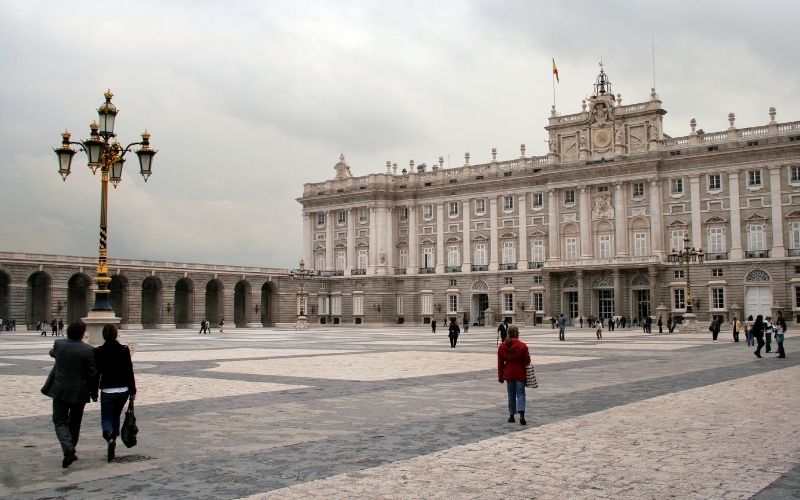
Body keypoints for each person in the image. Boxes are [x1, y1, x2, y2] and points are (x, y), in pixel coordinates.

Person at [42, 321, 97, 468]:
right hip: (80, 392)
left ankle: (68, 447)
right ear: (83, 333)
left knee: (59, 420)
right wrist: (94, 392)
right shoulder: (89, 350)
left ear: (68, 332)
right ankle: (70, 448)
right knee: (75, 422)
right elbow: (92, 374)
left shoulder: (59, 344)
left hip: (60, 389)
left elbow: (52, 353)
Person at [94, 324, 136, 462]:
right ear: (116, 334)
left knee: (106, 417)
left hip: (107, 389)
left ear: (103, 335)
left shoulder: (99, 351)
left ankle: (108, 434)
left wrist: (94, 391)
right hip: (123, 390)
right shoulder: (124, 350)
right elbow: (130, 371)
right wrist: (133, 391)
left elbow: (97, 373)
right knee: (116, 416)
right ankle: (113, 438)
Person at [497, 325, 531, 426]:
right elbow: (527, 360)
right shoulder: (522, 345)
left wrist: (500, 377)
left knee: (511, 395)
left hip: (508, 373)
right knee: (521, 394)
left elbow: (500, 363)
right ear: (517, 333)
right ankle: (521, 414)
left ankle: (511, 416)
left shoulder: (502, 346)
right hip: (520, 372)